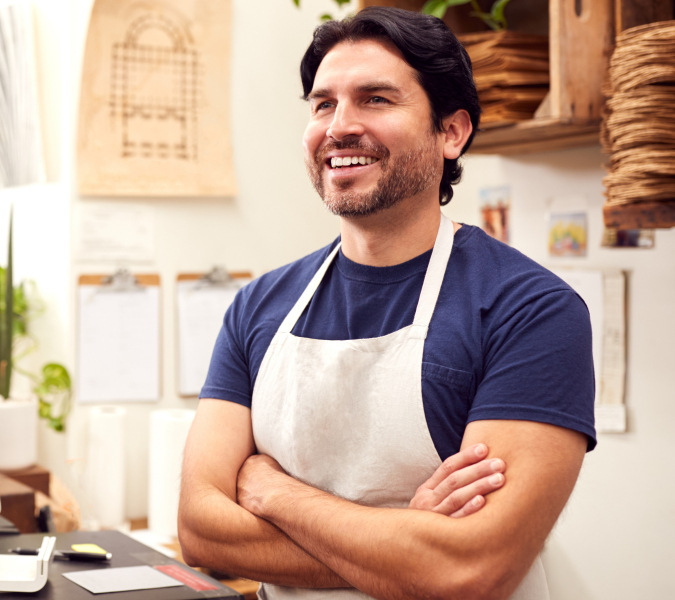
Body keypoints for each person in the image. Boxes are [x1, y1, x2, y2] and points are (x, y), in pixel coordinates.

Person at [177, 7, 596, 600]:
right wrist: (409, 543)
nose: (339, 127)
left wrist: (276, 494)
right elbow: (200, 531)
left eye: (375, 99)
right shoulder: (259, 305)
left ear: (451, 132)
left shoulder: (530, 310)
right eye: (323, 104)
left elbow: (472, 570)